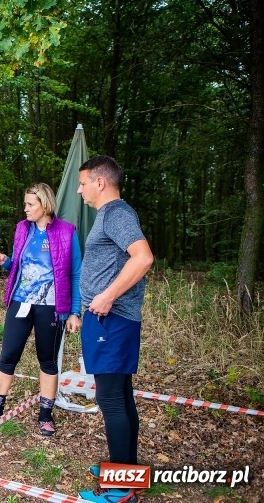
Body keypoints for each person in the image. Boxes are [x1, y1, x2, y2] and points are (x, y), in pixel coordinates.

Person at [74, 156, 154, 503]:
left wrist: (106, 296)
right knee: (120, 396)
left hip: (113, 318)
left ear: (100, 183)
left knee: (110, 398)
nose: (79, 190)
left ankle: (122, 490)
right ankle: (126, 471)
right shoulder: (111, 215)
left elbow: (144, 257)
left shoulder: (117, 213)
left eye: (82, 183)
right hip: (107, 319)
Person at [0, 183, 82, 437]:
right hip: (21, 302)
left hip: (52, 307)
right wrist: (5, 262)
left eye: (30, 204)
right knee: (8, 354)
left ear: (44, 205)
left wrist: (75, 312)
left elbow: (76, 273)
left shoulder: (67, 232)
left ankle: (46, 415)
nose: (25, 209)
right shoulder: (22, 229)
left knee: (47, 360)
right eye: (25, 203)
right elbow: (17, 264)